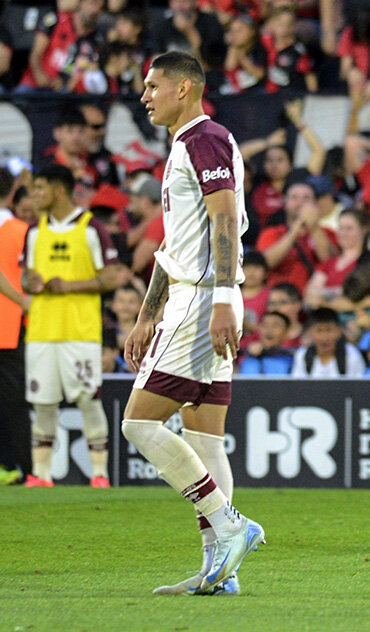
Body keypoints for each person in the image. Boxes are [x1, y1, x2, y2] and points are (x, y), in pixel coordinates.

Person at [122, 51, 264, 597]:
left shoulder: (203, 139)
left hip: (204, 301)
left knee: (139, 424)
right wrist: (146, 314)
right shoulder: (186, 145)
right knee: (205, 440)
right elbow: (174, 245)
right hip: (195, 296)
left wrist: (224, 297)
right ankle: (219, 571)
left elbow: (226, 217)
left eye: (153, 86)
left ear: (184, 88)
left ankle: (230, 527)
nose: (145, 96)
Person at [20, 164, 125, 489]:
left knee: (87, 399)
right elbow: (25, 276)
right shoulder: (34, 231)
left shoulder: (91, 227)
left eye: (40, 188)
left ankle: (99, 474)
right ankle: (42, 474)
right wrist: (30, 281)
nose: (35, 195)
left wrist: (70, 286)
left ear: (59, 190)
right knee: (43, 402)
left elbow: (110, 276)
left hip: (80, 330)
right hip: (41, 329)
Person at [0, 168, 31, 484]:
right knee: (15, 403)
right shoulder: (22, 231)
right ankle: (28, 469)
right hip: (11, 325)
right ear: (12, 192)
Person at [290, 307, 366, 377]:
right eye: (319, 331)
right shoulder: (302, 355)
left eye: (329, 330)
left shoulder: (351, 353)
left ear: (339, 331)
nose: (324, 337)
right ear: (310, 332)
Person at [238, 311, 294, 375]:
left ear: (286, 332)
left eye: (275, 326)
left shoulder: (294, 359)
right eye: (265, 325)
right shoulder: (245, 357)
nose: (269, 330)